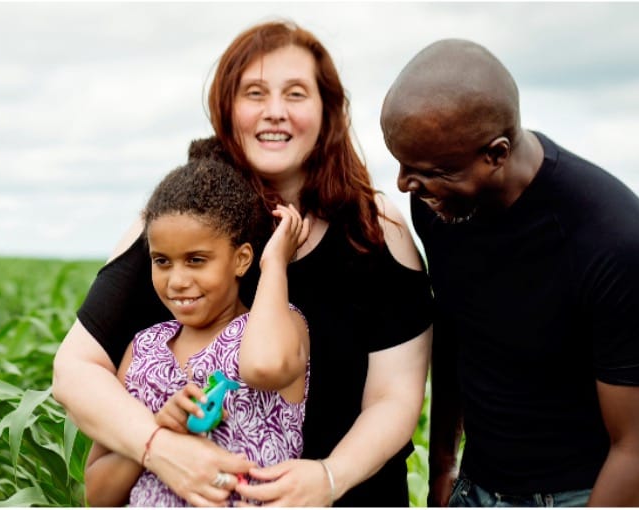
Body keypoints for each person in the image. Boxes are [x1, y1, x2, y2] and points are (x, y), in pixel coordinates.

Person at [53, 20, 433, 506]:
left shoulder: (375, 227)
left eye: (296, 94)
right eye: (255, 93)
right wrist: (158, 447)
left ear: (327, 110)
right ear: (227, 109)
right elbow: (75, 370)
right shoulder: (176, 223)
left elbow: (394, 398)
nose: (275, 112)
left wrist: (329, 478)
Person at [379, 39, 639, 507]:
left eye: (431, 170)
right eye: (401, 164)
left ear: (497, 154)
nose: (406, 185)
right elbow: (456, 332)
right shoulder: (440, 205)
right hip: (475, 489)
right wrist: (443, 466)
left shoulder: (617, 241)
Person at [82, 154, 312, 507]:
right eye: (162, 261)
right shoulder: (143, 350)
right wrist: (158, 431)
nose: (177, 281)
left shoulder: (277, 326)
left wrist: (275, 262)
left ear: (242, 259)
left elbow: (264, 366)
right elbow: (96, 495)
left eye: (196, 260)